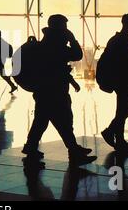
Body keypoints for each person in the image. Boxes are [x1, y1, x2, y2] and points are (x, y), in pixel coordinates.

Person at [22, 15, 97, 166]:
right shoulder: (55, 45)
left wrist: (71, 81)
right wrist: (73, 39)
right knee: (63, 122)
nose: (66, 29)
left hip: (44, 90)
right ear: (59, 27)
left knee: (42, 121)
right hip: (54, 91)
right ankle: (74, 152)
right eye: (64, 26)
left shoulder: (46, 44)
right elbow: (76, 55)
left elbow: (57, 68)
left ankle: (31, 148)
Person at [101, 14, 128, 153]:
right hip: (123, 80)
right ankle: (110, 131)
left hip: (121, 80)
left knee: (122, 109)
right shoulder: (122, 41)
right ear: (127, 24)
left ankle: (119, 141)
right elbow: (123, 64)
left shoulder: (117, 40)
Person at [0, 30, 18, 94]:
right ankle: (12, 86)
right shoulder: (0, 41)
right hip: (1, 61)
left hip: (0, 61)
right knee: (2, 75)